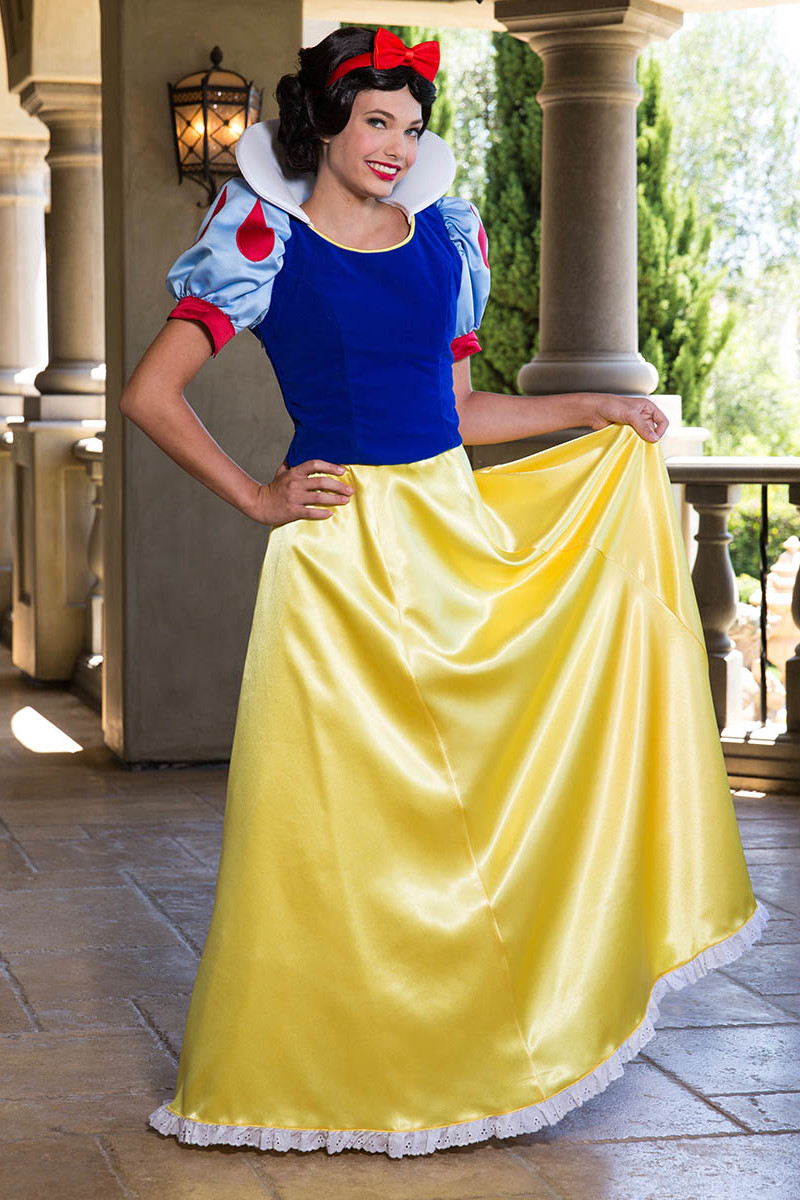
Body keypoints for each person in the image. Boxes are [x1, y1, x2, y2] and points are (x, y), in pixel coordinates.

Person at [122, 26, 769, 1159]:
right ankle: (318, 1074)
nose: (396, 146)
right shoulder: (263, 238)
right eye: (375, 120)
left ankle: (481, 1051)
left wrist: (596, 409)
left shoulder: (445, 237)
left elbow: (459, 415)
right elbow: (150, 395)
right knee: (340, 831)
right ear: (323, 122)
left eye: (412, 127)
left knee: (484, 802)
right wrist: (260, 497)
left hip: (451, 543)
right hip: (339, 568)